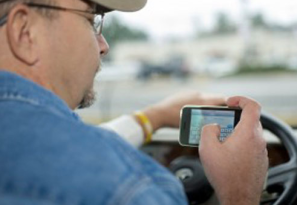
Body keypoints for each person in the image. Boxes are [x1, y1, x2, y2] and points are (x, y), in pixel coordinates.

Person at [0, 0, 268, 205]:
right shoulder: (127, 183)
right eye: (92, 20)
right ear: (25, 32)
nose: (103, 45)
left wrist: (156, 116)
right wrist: (239, 193)